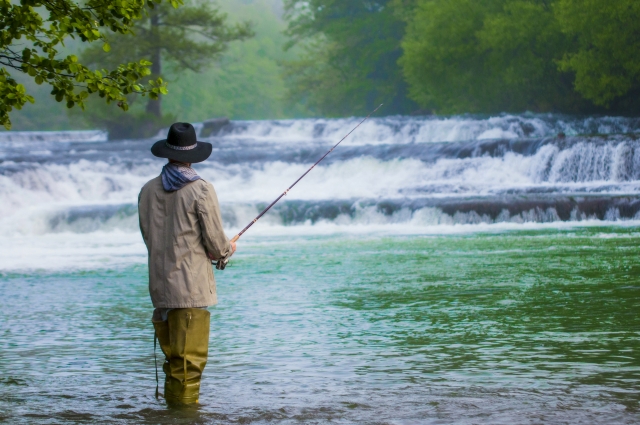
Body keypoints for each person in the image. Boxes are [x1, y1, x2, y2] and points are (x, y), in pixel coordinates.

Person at [138, 122, 236, 404]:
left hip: (160, 288)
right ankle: (185, 418)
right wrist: (228, 249)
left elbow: (150, 238)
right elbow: (217, 246)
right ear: (193, 155)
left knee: (174, 364)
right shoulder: (201, 189)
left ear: (168, 153)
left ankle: (171, 416)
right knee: (188, 366)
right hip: (190, 288)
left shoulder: (147, 190)